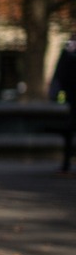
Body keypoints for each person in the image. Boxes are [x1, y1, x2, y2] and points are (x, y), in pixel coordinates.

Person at [49, 35, 76, 173]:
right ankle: (66, 163)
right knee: (69, 129)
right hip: (72, 96)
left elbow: (61, 70)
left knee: (70, 129)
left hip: (72, 96)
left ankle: (66, 163)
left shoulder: (70, 46)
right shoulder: (70, 45)